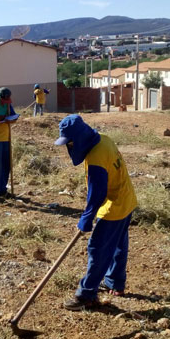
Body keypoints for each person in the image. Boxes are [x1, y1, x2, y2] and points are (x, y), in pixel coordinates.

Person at [54, 114, 137, 310]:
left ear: (80, 138)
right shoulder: (103, 138)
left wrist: (87, 217)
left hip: (114, 206)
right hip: (127, 199)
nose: (70, 147)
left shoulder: (95, 158)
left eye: (71, 142)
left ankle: (87, 295)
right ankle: (114, 282)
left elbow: (97, 193)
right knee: (117, 245)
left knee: (98, 249)